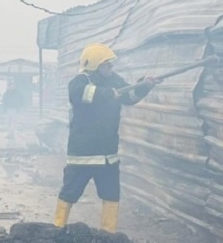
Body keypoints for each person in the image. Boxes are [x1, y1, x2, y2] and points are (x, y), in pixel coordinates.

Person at [53, 43, 160, 233]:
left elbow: (130, 96)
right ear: (94, 65)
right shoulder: (79, 82)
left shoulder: (115, 80)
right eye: (107, 65)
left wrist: (144, 86)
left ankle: (108, 234)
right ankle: (57, 228)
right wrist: (110, 93)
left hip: (108, 155)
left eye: (111, 65)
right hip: (82, 155)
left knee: (111, 195)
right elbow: (84, 94)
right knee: (69, 193)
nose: (111, 69)